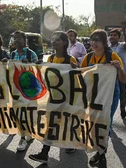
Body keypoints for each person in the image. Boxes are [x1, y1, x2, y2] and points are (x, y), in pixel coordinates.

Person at [28, 31, 78, 164]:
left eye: (57, 40)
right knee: (51, 124)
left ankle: (71, 144)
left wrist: (76, 70)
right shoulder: (49, 59)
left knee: (67, 123)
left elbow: (78, 81)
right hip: (53, 97)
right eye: (53, 39)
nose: (54, 42)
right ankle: (44, 153)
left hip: (67, 98)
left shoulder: (70, 60)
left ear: (64, 43)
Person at [81, 29, 126, 168]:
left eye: (97, 40)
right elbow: (80, 76)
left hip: (110, 95)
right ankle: (100, 152)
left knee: (104, 123)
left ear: (104, 42)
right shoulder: (88, 58)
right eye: (92, 39)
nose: (93, 43)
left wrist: (119, 68)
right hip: (93, 96)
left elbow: (124, 80)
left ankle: (102, 156)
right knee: (94, 124)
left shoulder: (112, 56)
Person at [11, 30, 38, 151]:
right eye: (15, 38)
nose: (16, 41)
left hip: (30, 90)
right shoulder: (12, 54)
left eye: (19, 38)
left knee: (30, 114)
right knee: (20, 114)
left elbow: (38, 71)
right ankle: (22, 138)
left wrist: (30, 65)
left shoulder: (31, 54)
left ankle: (30, 133)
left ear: (24, 41)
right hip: (17, 89)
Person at [109, 21, 126, 119]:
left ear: (119, 37)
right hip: (110, 75)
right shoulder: (107, 48)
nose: (113, 37)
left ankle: (122, 108)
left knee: (122, 93)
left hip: (121, 74)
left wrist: (124, 30)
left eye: (115, 35)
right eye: (111, 35)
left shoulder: (122, 46)